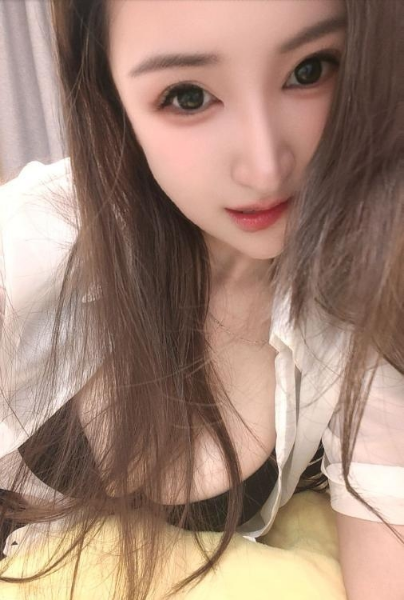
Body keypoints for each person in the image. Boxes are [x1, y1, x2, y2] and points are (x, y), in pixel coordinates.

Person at [0, 0, 403, 599]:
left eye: (310, 69)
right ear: (110, 96)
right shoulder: (30, 244)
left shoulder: (365, 298)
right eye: (188, 96)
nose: (265, 167)